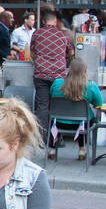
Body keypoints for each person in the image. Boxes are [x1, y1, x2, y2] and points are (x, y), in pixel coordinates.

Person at [30, 9, 73, 143]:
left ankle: (41, 138)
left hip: (41, 74)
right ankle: (56, 137)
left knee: (42, 106)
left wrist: (38, 60)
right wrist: (66, 58)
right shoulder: (62, 35)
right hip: (58, 75)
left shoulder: (37, 33)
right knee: (56, 106)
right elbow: (71, 51)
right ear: (55, 21)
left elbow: (32, 52)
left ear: (43, 21)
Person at [49, 55, 103, 159]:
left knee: (52, 115)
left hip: (59, 122)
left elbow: (51, 98)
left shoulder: (57, 83)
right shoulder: (90, 86)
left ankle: (52, 149)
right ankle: (82, 149)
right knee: (86, 118)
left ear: (69, 69)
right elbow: (99, 104)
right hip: (82, 124)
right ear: (85, 70)